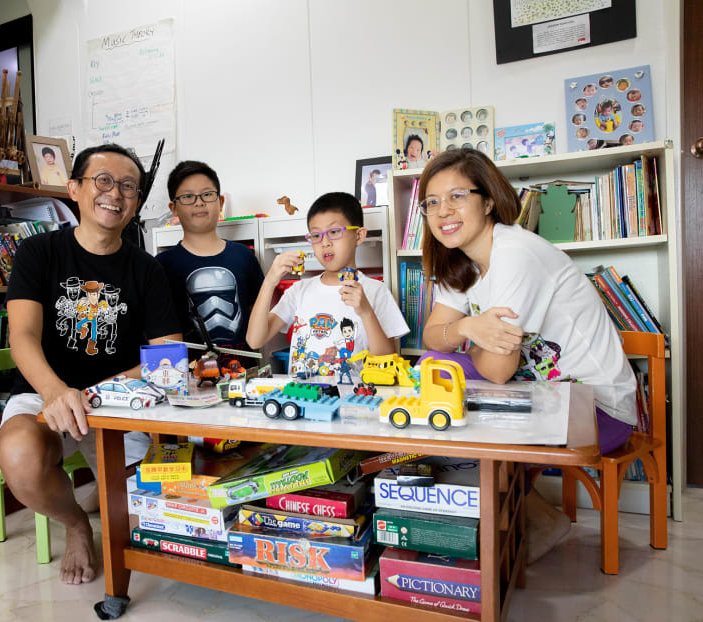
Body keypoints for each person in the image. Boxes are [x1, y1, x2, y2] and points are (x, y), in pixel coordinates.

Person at [416, 148, 636, 562]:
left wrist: (469, 342)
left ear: (487, 200)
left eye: (457, 196)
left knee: (454, 398)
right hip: (536, 396)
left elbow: (498, 371)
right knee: (433, 368)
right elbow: (432, 337)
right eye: (431, 202)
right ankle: (516, 518)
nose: (443, 210)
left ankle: (524, 521)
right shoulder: (457, 264)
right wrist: (466, 328)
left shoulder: (516, 252)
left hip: (595, 409)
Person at [0, 143, 181, 585]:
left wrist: (95, 395)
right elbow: (21, 335)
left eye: (128, 186)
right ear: (74, 188)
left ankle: (103, 488)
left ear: (136, 202)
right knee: (20, 455)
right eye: (103, 181)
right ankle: (77, 525)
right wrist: (58, 393)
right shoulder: (37, 253)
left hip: (118, 401)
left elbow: (169, 355)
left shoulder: (147, 269)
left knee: (152, 516)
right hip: (45, 394)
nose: (115, 194)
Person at [246, 192, 409, 379]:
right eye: (316, 235)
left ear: (358, 235)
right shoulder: (298, 291)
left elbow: (387, 360)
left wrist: (365, 311)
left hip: (353, 403)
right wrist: (269, 281)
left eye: (334, 232)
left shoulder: (376, 291)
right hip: (302, 398)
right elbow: (254, 340)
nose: (325, 242)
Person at [156, 161, 264, 367]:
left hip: (244, 378)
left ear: (220, 202)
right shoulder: (162, 266)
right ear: (173, 208)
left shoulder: (244, 257)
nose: (199, 203)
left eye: (207, 194)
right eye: (188, 196)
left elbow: (259, 317)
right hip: (189, 384)